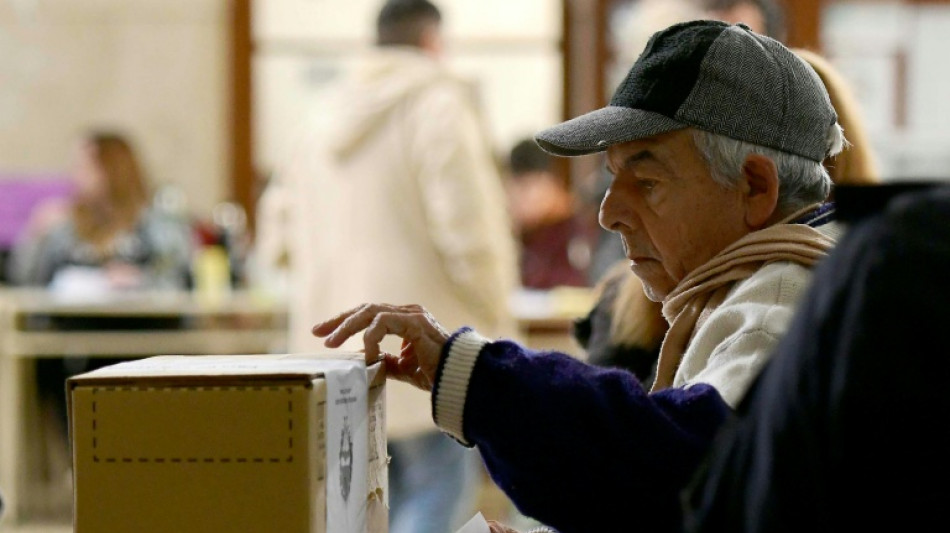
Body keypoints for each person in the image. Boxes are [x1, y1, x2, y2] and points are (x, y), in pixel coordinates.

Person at [313, 20, 846, 533]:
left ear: (755, 186)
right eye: (613, 177)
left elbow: (685, 470)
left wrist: (479, 377)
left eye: (648, 181)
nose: (608, 213)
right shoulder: (780, 287)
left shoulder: (781, 305)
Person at [253, 1, 519, 532]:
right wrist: (498, 324)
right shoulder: (439, 105)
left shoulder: (319, 114)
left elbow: (274, 239)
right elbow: (469, 236)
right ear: (433, 41)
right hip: (423, 355)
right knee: (436, 496)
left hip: (334, 358)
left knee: (357, 510)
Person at [682, 183, 950, 531]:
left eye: (648, 183)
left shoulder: (897, 254)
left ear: (755, 187)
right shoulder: (896, 245)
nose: (615, 216)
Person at [7, 131, 192, 290]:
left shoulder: (156, 223)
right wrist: (35, 235)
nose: (74, 175)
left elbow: (181, 280)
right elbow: (24, 281)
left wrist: (139, 280)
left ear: (112, 171)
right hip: (70, 318)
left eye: (84, 167)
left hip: (142, 319)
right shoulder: (65, 224)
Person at [505, 138, 593, 289]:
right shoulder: (522, 234)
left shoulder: (576, 229)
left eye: (526, 187)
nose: (517, 198)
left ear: (553, 181)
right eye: (513, 187)